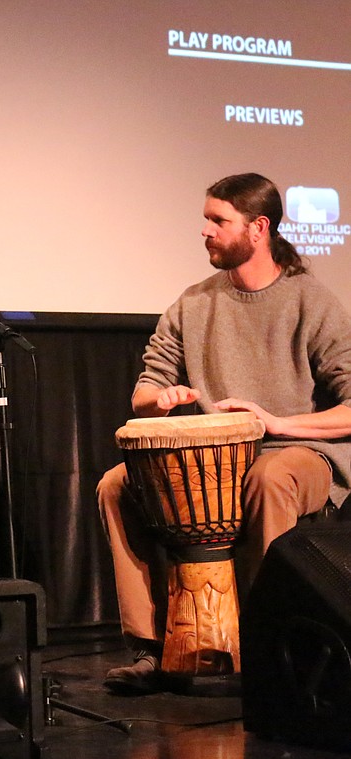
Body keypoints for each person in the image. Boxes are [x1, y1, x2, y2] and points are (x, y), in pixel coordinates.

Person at [98, 172, 351, 694]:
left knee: (268, 477)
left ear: (258, 228)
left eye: (218, 221)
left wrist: (277, 423)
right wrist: (160, 400)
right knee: (115, 485)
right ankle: (149, 648)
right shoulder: (194, 303)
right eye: (205, 220)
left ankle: (270, 648)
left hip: (299, 450)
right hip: (214, 455)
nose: (206, 231)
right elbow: (146, 388)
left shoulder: (310, 300)